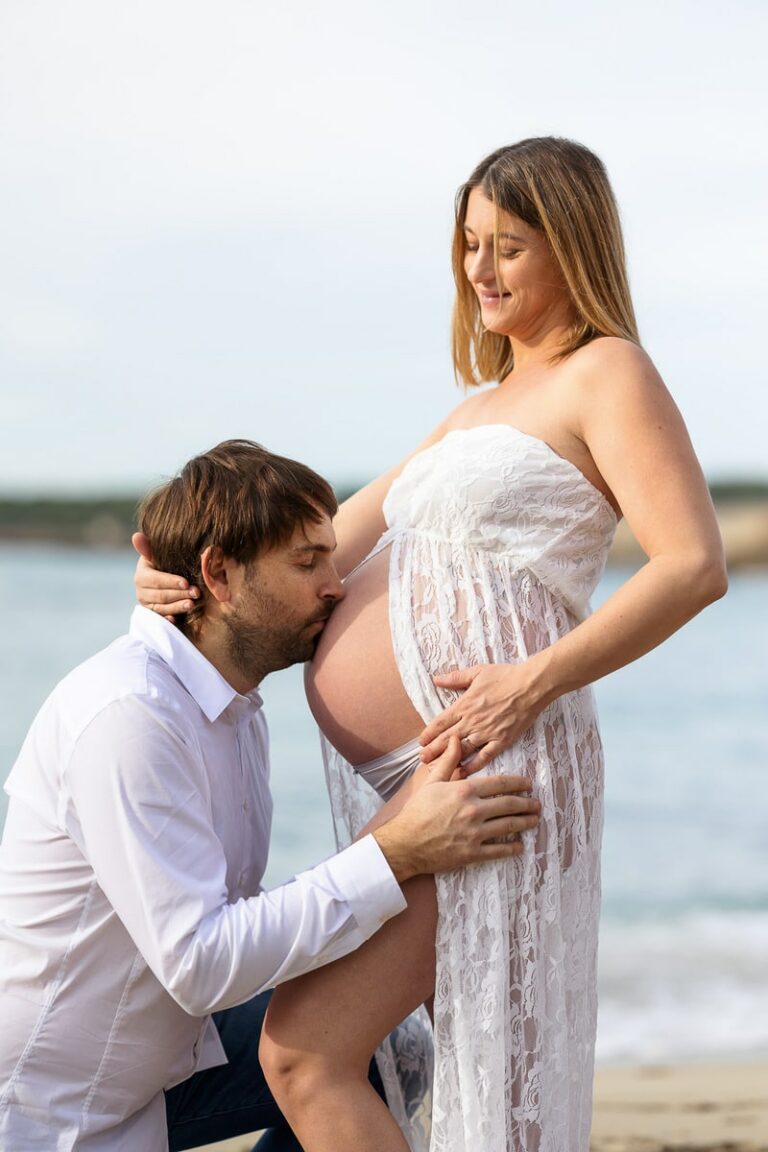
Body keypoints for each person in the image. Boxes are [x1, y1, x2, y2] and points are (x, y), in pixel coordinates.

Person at [135, 137, 727, 1152]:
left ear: (572, 245)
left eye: (509, 246)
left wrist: (527, 685)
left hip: (495, 758)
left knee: (311, 1052)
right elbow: (318, 543)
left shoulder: (606, 372)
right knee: (392, 1064)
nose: (480, 270)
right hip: (427, 783)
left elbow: (692, 565)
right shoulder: (474, 411)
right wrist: (179, 583)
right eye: (468, 245)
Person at [0, 440, 542, 1152]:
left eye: (330, 556)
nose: (336, 585)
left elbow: (232, 933)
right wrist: (393, 852)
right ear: (219, 574)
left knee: (381, 1049)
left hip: (158, 1063)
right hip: (51, 1111)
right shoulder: (128, 715)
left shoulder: (231, 711)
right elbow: (202, 965)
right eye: (307, 561)